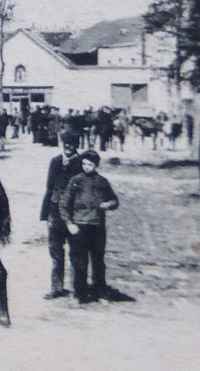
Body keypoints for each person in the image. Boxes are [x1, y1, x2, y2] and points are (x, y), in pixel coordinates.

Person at [59, 152, 133, 304]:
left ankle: (99, 289)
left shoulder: (102, 182)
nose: (86, 167)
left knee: (98, 260)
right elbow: (64, 204)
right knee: (79, 261)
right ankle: (80, 292)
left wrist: (109, 204)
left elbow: (114, 200)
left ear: (96, 165)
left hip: (97, 226)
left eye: (90, 165)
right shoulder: (76, 181)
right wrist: (70, 223)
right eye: (84, 164)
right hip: (79, 227)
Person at [39, 130, 87, 299]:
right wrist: (44, 215)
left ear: (76, 145)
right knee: (55, 253)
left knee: (77, 253)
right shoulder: (55, 161)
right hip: (55, 214)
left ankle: (77, 289)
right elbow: (49, 187)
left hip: (74, 216)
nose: (68, 147)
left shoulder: (83, 163)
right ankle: (56, 287)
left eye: (71, 144)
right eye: (65, 144)